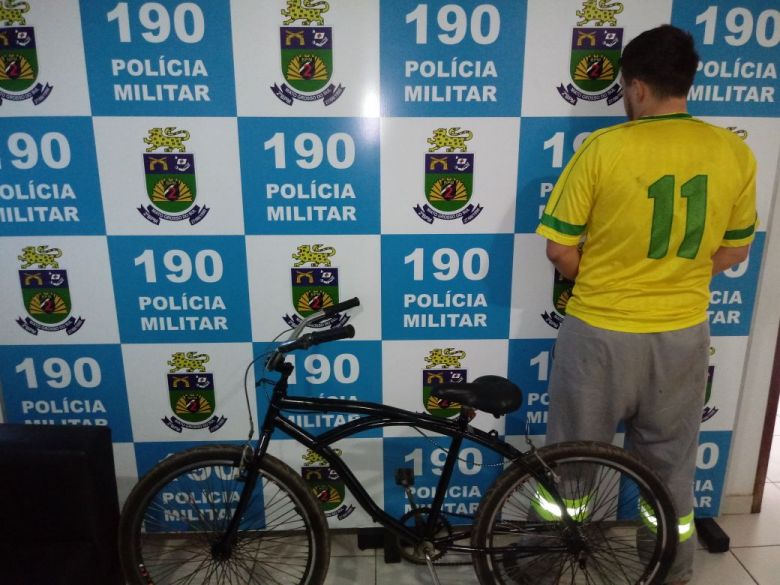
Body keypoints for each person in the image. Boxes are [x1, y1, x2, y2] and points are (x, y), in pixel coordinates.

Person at [535, 24, 758, 585]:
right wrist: (677, 276)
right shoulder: (734, 151)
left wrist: (607, 278)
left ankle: (541, 566)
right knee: (670, 470)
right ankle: (670, 572)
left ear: (636, 87)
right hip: (681, 336)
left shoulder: (604, 148)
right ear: (686, 81)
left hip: (600, 334)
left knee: (571, 466)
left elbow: (559, 250)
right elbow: (735, 250)